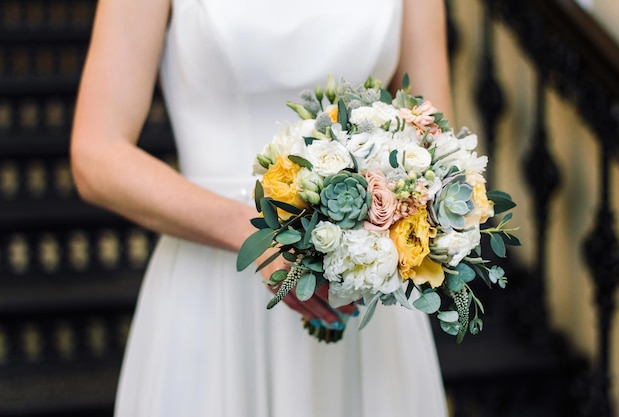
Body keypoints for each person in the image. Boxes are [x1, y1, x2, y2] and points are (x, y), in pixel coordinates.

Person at [70, 0, 452, 416]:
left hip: (362, 295)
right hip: (212, 288)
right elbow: (96, 155)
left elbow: (438, 145)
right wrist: (255, 235)